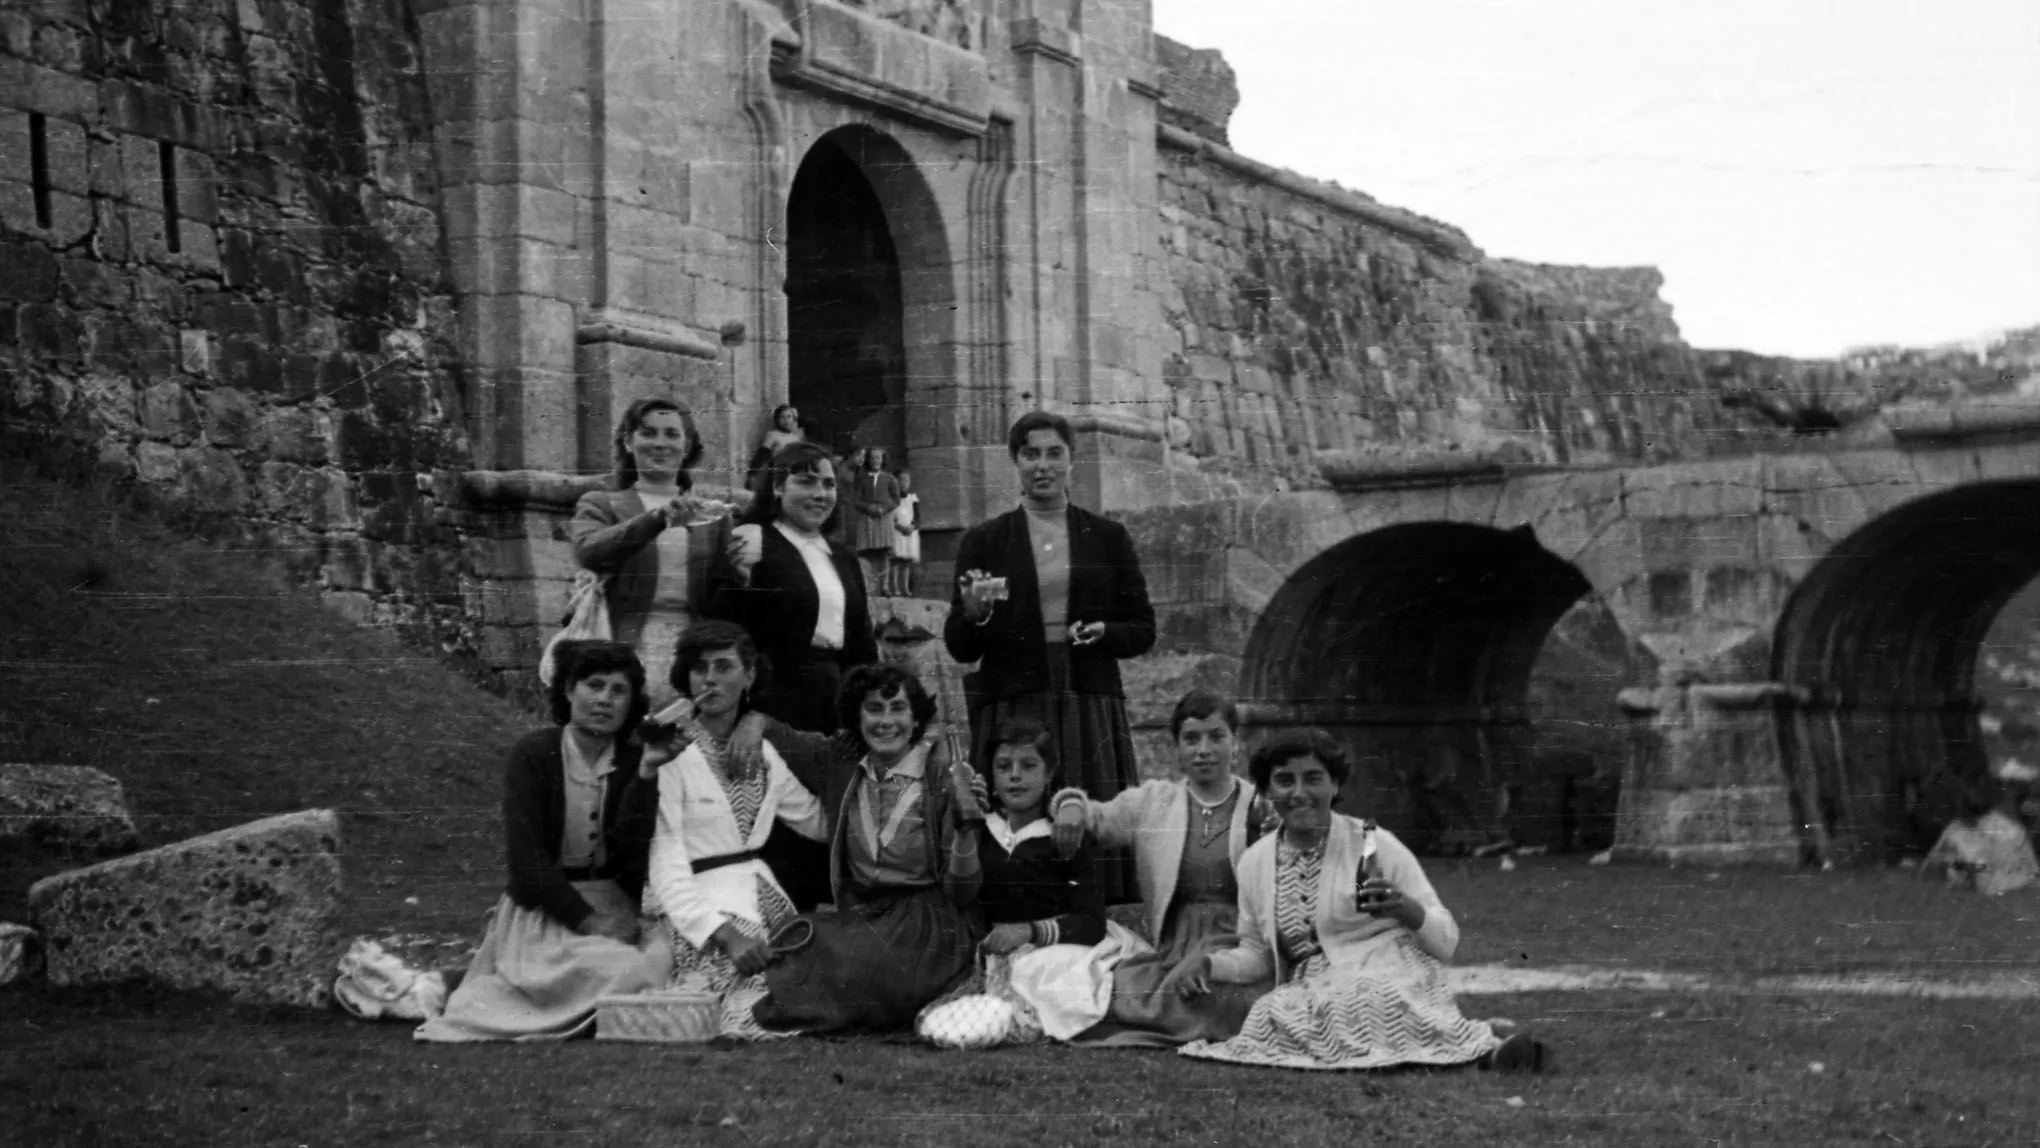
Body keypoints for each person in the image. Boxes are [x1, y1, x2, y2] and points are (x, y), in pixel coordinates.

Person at [1177, 731, 1545, 1073]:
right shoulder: (1255, 862)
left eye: (1313, 778)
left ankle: (1486, 1052)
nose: (1299, 792)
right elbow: (1257, 954)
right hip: (1313, 986)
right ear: (1267, 790)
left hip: (1389, 967)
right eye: (1285, 780)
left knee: (1367, 998)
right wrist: (1209, 965)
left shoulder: (1373, 842)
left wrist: (1405, 908)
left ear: (1335, 784)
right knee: (1270, 1012)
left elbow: (1446, 939)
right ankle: (1459, 1036)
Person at [943, 410, 1157, 903]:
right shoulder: (985, 541)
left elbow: (1143, 629)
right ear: (1015, 462)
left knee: (1086, 805)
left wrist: (1105, 632)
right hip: (1015, 696)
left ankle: (1097, 915)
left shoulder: (1107, 537)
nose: (1043, 465)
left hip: (1086, 695)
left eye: (1054, 453)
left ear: (1071, 461)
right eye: (1030, 454)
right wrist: (974, 615)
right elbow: (960, 645)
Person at [416, 642, 669, 1042]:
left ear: (631, 703)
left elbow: (634, 852)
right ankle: (472, 990)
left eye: (618, 691)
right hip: (547, 909)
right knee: (622, 971)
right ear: (569, 691)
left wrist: (645, 778)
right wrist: (590, 922)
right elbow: (527, 863)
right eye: (593, 685)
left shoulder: (634, 759)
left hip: (616, 904)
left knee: (663, 962)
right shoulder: (534, 754)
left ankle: (478, 983)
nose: (604, 700)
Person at [749, 664, 988, 1034]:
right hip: (866, 916)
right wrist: (753, 721)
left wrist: (965, 834)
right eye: (874, 709)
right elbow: (783, 736)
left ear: (916, 717)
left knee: (859, 964)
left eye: (898, 709)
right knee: (795, 934)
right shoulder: (840, 762)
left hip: (929, 923)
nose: (886, 721)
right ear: (856, 716)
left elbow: (963, 892)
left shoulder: (941, 774)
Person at [1047, 690, 1274, 1047]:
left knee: (1226, 996)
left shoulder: (1261, 806)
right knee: (1107, 989)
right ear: (1177, 750)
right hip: (1173, 952)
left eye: (1216, 737)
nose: (1203, 749)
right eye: (1191, 739)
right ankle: (1174, 1012)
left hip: (1240, 946)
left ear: (1235, 743)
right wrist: (1071, 806)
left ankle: (1185, 1015)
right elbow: (1099, 817)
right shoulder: (1154, 802)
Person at [639, 621, 830, 1039]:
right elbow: (666, 863)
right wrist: (723, 935)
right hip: (699, 907)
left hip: (765, 899)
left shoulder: (763, 751)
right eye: (699, 668)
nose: (709, 679)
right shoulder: (669, 751)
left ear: (750, 676)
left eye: (724, 667)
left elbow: (818, 823)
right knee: (753, 987)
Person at [713, 439, 877, 910]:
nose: (821, 493)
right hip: (777, 694)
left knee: (830, 814)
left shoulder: (842, 557)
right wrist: (750, 713)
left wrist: (869, 706)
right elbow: (732, 632)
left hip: (833, 697)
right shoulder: (755, 538)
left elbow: (861, 643)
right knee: (780, 816)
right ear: (779, 486)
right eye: (806, 481)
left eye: (828, 484)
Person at [570, 398, 735, 709]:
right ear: (628, 442)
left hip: (693, 655)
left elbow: (724, 601)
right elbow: (589, 551)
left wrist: (741, 571)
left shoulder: (714, 516)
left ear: (687, 447)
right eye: (648, 433)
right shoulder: (601, 503)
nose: (660, 443)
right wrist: (657, 519)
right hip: (622, 646)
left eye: (672, 435)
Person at [850, 445, 901, 593]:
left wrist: (883, 508)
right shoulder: (862, 479)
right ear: (868, 460)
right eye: (872, 458)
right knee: (867, 552)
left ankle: (883, 586)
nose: (875, 461)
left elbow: (896, 499)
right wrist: (867, 507)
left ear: (883, 459)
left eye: (878, 458)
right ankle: (869, 586)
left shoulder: (889, 478)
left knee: (884, 553)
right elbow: (856, 499)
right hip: (867, 518)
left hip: (884, 518)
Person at [745, 403, 806, 490]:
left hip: (793, 476)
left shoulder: (796, 438)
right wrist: (752, 474)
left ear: (793, 419)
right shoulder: (773, 435)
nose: (786, 420)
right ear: (777, 419)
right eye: (782, 417)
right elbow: (762, 454)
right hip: (778, 475)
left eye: (789, 417)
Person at [887, 468, 921, 597]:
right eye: (900, 480)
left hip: (909, 533)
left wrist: (913, 527)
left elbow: (918, 517)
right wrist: (899, 526)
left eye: (906, 480)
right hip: (897, 531)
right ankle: (893, 587)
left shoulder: (913, 498)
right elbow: (889, 517)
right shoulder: (891, 499)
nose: (903, 483)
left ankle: (905, 587)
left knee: (906, 562)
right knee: (895, 561)